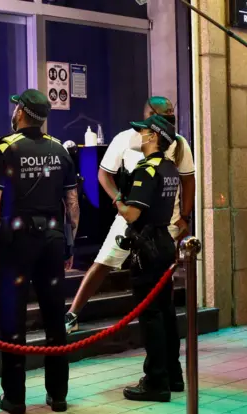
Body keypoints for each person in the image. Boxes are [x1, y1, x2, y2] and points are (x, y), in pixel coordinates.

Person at [65, 97, 195, 346]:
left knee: (159, 279)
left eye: (171, 113)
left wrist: (184, 217)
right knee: (103, 262)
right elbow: (104, 174)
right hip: (131, 219)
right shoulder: (126, 139)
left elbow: (188, 180)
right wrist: (119, 201)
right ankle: (73, 313)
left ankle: (161, 335)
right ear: (149, 114)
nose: (169, 117)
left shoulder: (177, 144)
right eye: (163, 113)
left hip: (163, 221)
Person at [0, 89, 80, 414]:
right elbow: (72, 206)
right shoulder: (60, 151)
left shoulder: (4, 150)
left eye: (16, 107)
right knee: (54, 318)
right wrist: (69, 245)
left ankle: (15, 399)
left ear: (21, 112)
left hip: (16, 241)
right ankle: (59, 395)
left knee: (12, 320)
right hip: (52, 241)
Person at [114, 114, 181, 402]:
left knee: (151, 315)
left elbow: (132, 214)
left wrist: (118, 197)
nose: (138, 135)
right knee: (165, 312)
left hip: (147, 247)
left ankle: (156, 381)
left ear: (153, 136)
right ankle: (172, 374)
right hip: (165, 242)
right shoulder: (169, 168)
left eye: (141, 131)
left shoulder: (147, 170)